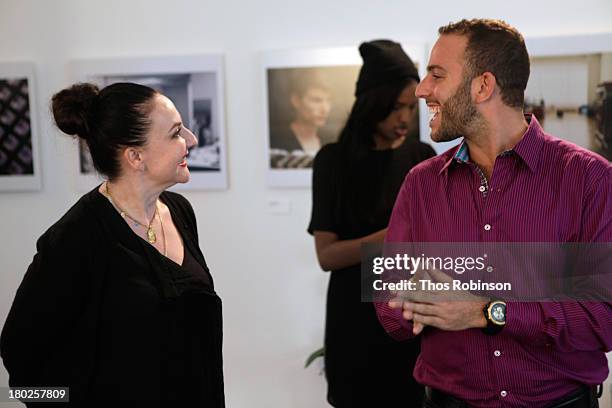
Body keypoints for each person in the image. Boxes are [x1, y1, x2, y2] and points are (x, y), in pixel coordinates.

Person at [375, 19, 611, 408]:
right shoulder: (420, 184)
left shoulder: (591, 180)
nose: (422, 90)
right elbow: (388, 309)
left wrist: (486, 312)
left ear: (483, 86)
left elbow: (604, 319)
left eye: (436, 74)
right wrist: (414, 298)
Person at [0, 82, 225, 407]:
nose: (192, 140)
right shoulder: (74, 239)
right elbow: (21, 364)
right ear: (135, 156)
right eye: (176, 133)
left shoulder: (179, 212)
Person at [308, 40, 436, 407]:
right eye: (395, 107)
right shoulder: (333, 162)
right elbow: (327, 255)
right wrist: (395, 235)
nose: (404, 119)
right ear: (371, 104)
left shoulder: (421, 158)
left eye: (412, 108)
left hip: (410, 314)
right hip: (354, 318)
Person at [270, 69, 333, 168]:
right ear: (296, 101)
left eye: (328, 100)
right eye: (316, 100)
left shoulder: (331, 141)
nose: (325, 109)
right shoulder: (275, 141)